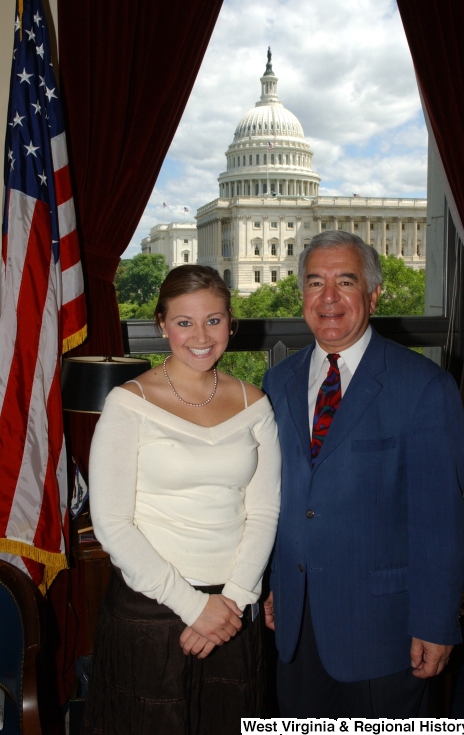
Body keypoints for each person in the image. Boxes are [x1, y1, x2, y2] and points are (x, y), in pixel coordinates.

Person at [262, 231, 464, 718]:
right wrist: (272, 581)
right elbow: (278, 497)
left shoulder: (424, 387)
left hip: (384, 629)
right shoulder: (277, 382)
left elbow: (439, 522)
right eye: (315, 282)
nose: (328, 297)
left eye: (345, 281)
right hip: (295, 619)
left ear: (373, 295)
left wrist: (436, 623)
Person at [82, 265, 281, 735]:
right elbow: (112, 524)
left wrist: (230, 602)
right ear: (161, 324)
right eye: (184, 321)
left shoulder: (256, 404)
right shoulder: (127, 403)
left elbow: (265, 512)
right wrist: (194, 607)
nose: (201, 336)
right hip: (151, 609)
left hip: (234, 611)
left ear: (231, 323)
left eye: (214, 320)